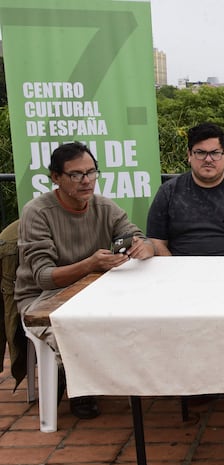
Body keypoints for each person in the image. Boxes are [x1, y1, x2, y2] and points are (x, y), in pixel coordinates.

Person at [15, 142, 155, 419]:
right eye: (76, 175)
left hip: (95, 290)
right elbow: (43, 277)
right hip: (44, 299)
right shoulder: (38, 212)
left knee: (138, 318)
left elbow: (139, 237)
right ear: (56, 177)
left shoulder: (104, 206)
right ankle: (78, 383)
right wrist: (91, 263)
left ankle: (114, 379)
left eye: (91, 172)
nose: (86, 181)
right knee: (74, 329)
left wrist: (142, 247)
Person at [147, 122, 224, 256]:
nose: (208, 159)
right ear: (189, 155)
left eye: (215, 153)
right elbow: (155, 241)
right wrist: (174, 271)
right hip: (180, 273)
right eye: (200, 153)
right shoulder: (168, 192)